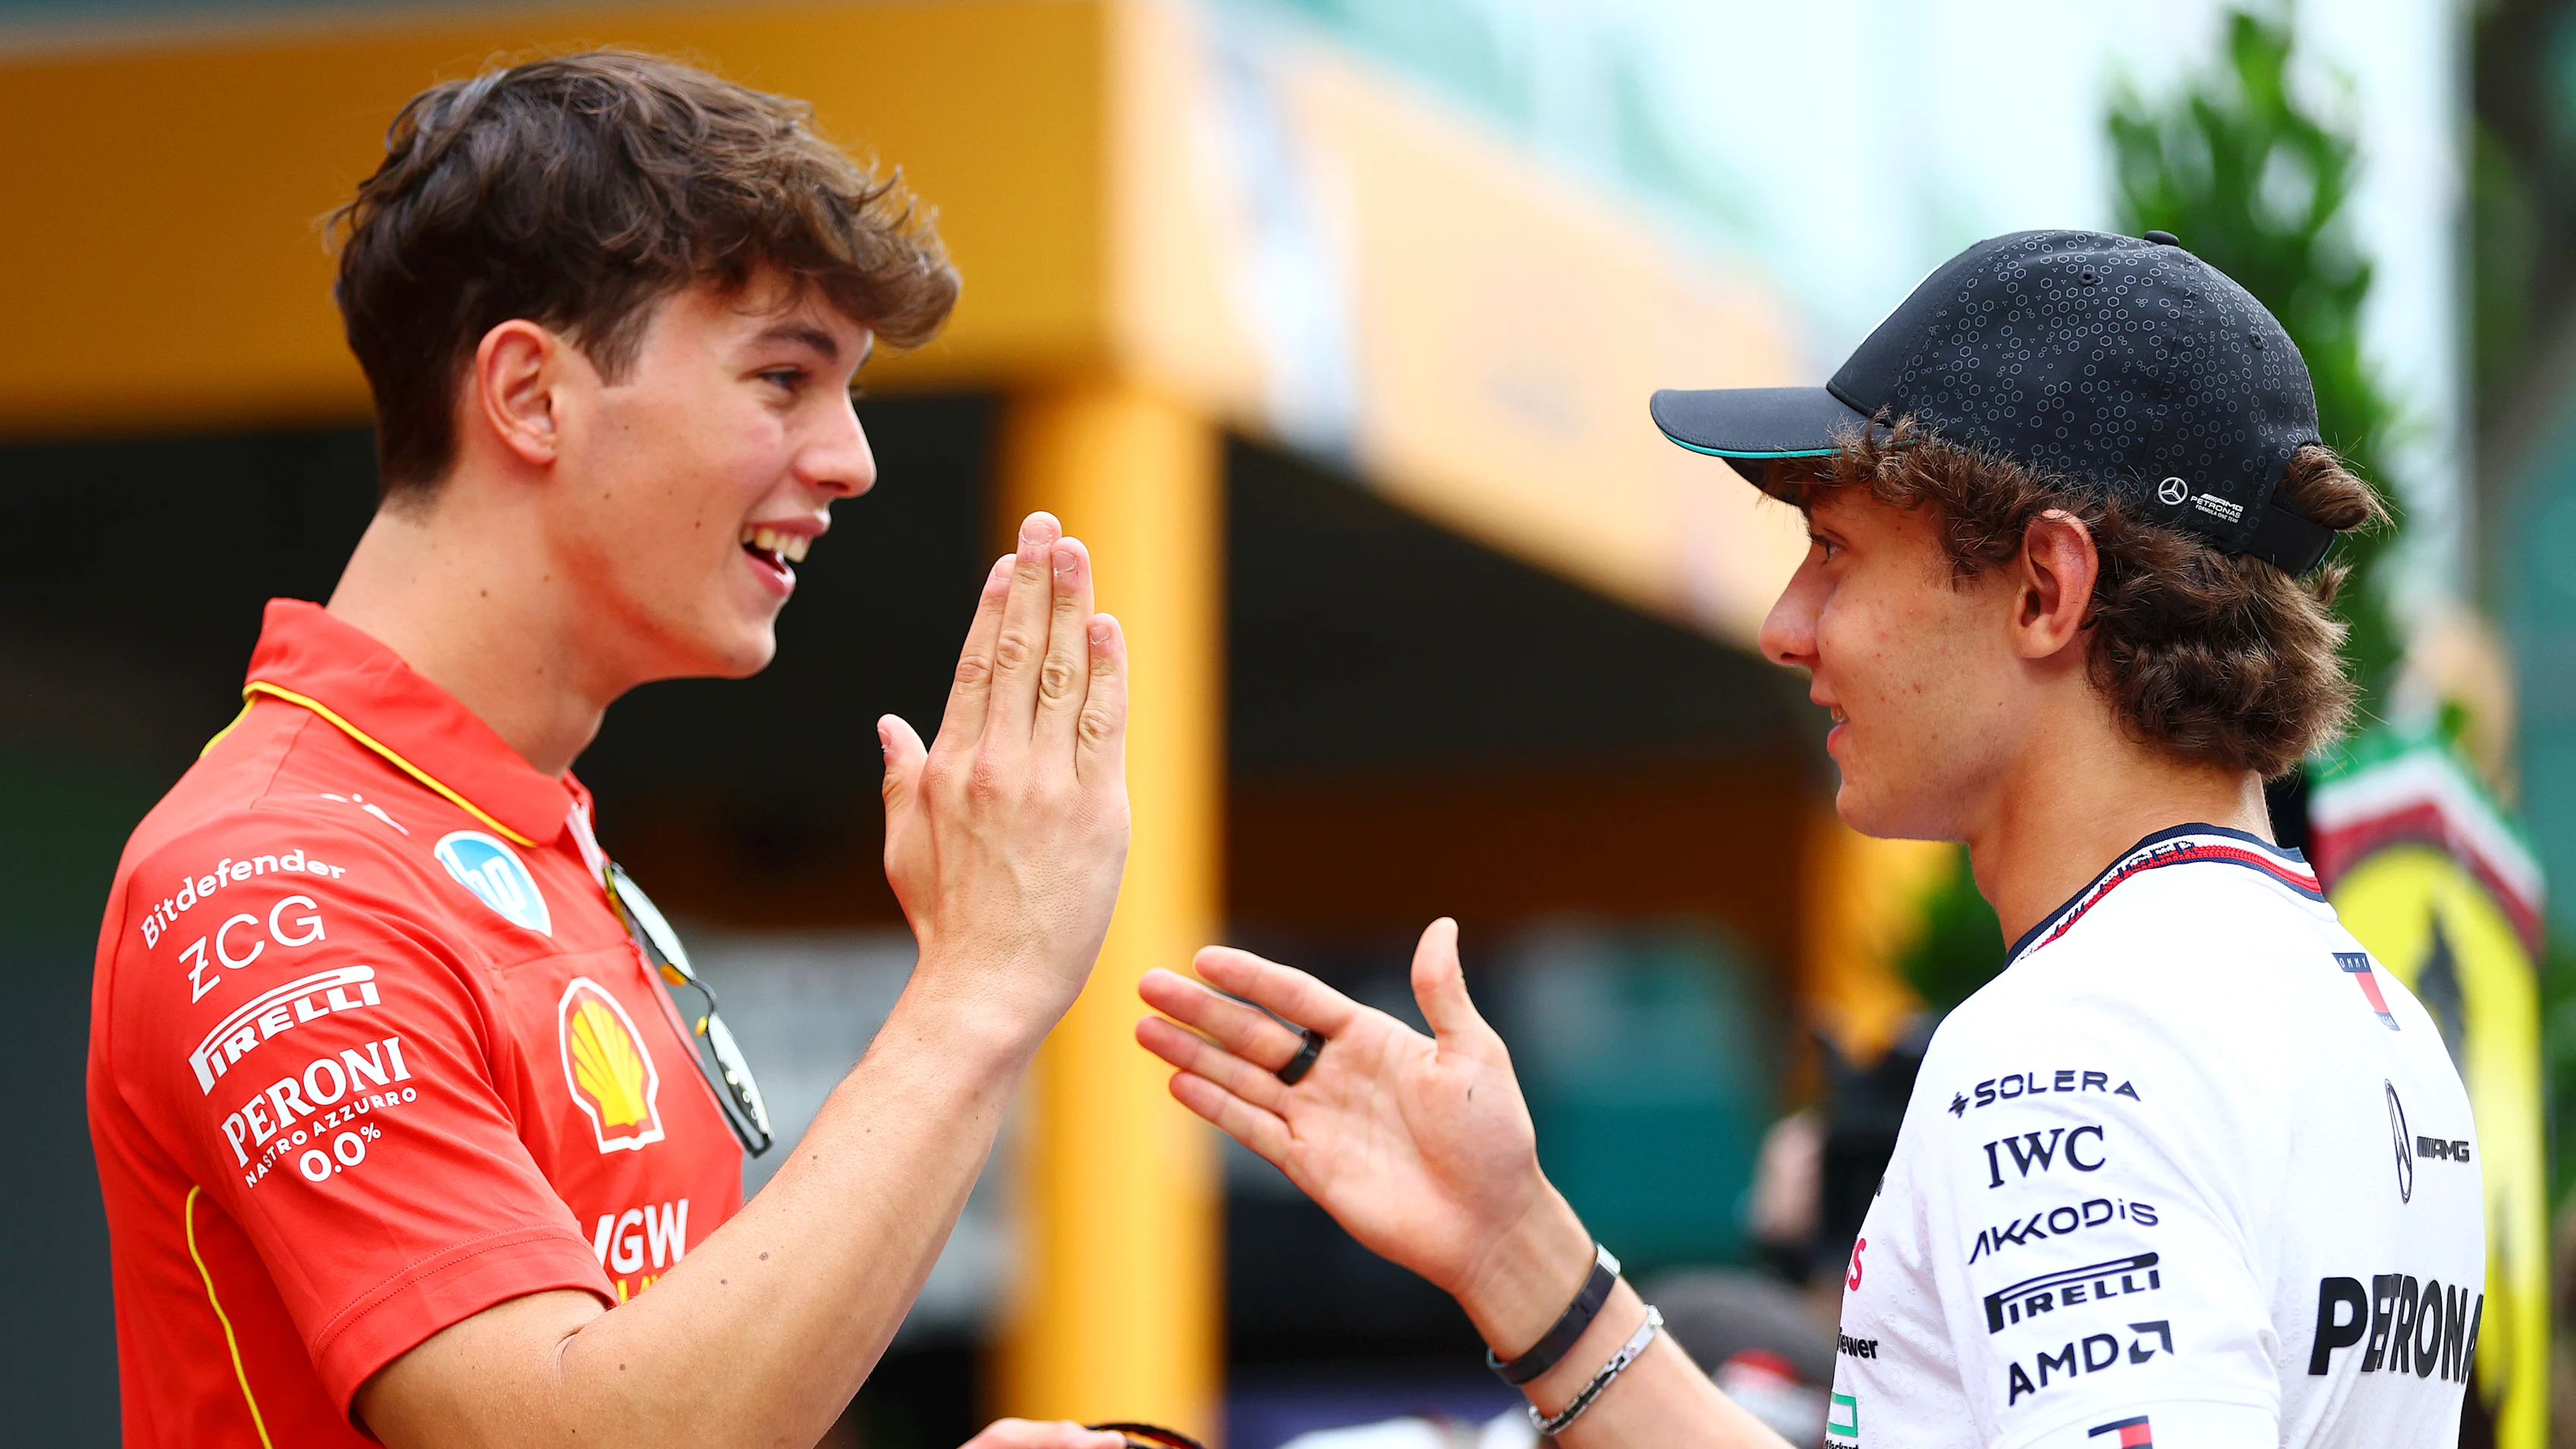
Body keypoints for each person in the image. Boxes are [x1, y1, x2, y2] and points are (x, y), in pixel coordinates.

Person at [1138, 230, 2484, 1448]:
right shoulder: (2371, 1025)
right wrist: (1515, 1253)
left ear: (2045, 587)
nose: (1788, 623)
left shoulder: (2074, 1048)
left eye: (1834, 549)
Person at [87, 52, 1138, 1449]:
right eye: (784, 376)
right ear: (528, 394)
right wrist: (981, 985)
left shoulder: (519, 827)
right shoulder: (272, 884)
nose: (852, 460)